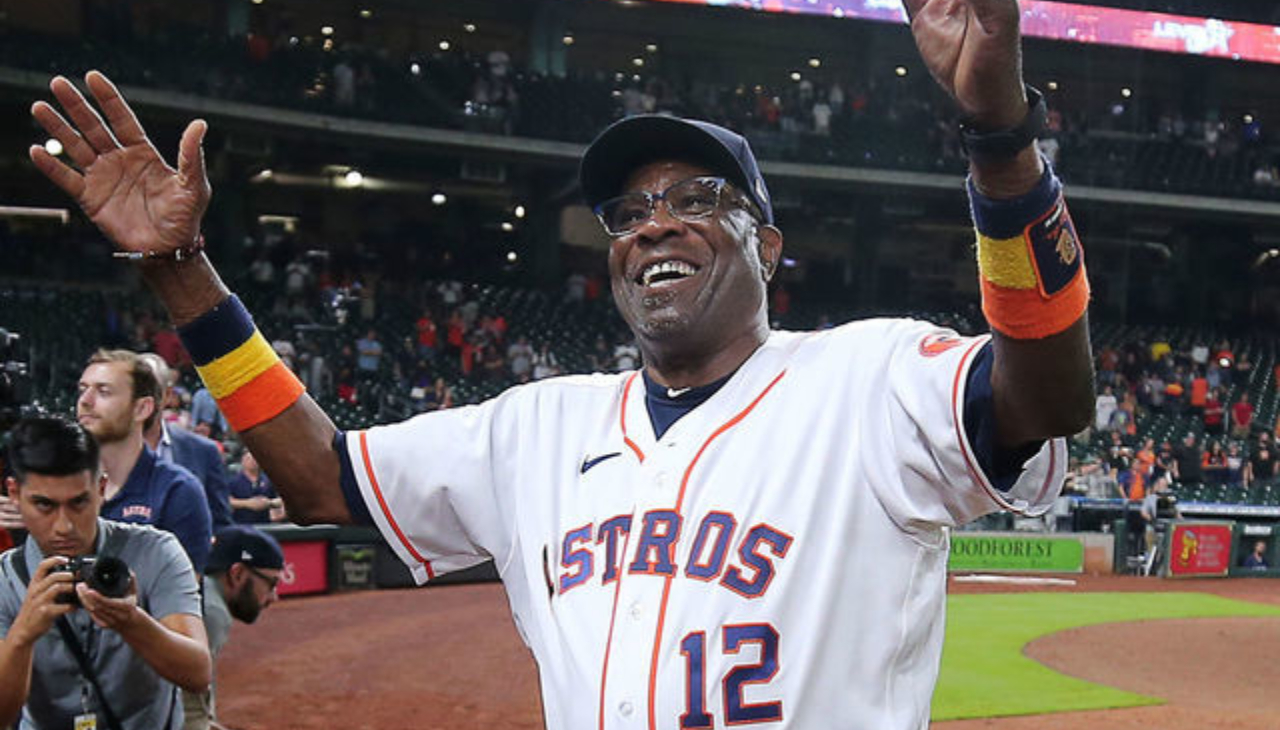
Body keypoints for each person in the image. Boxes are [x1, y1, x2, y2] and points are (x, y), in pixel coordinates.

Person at [27, 1, 1095, 724]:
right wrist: (181, 273)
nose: (653, 226)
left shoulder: (867, 381)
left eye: (695, 201)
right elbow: (322, 475)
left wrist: (997, 134)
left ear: (768, 248)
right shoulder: (532, 426)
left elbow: (1045, 392)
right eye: (628, 211)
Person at [0, 416, 211, 729]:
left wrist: (132, 622)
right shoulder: (5, 578)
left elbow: (197, 674)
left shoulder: (156, 551)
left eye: (79, 503)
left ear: (101, 488)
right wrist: (22, 635)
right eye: (44, 505)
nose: (64, 526)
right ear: (14, 493)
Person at [76, 350, 213, 573]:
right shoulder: (57, 483)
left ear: (142, 408)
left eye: (104, 392)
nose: (85, 401)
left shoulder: (177, 490)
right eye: (82, 390)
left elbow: (181, 597)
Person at [181, 525, 282, 730]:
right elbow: (188, 706)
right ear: (237, 574)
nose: (273, 597)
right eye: (271, 584)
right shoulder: (210, 611)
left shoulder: (196, 592)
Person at [140, 353, 234, 530]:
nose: (142, 398)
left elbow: (221, 525)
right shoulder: (102, 451)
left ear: (167, 395)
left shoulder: (203, 451)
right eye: (135, 388)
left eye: (149, 387)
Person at [228, 451, 281, 525]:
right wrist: (247, 503)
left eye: (255, 459)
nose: (252, 461)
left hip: (265, 524)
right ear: (242, 461)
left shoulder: (269, 480)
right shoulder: (232, 481)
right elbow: (226, 501)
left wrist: (269, 503)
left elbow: (281, 500)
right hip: (241, 523)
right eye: (249, 459)